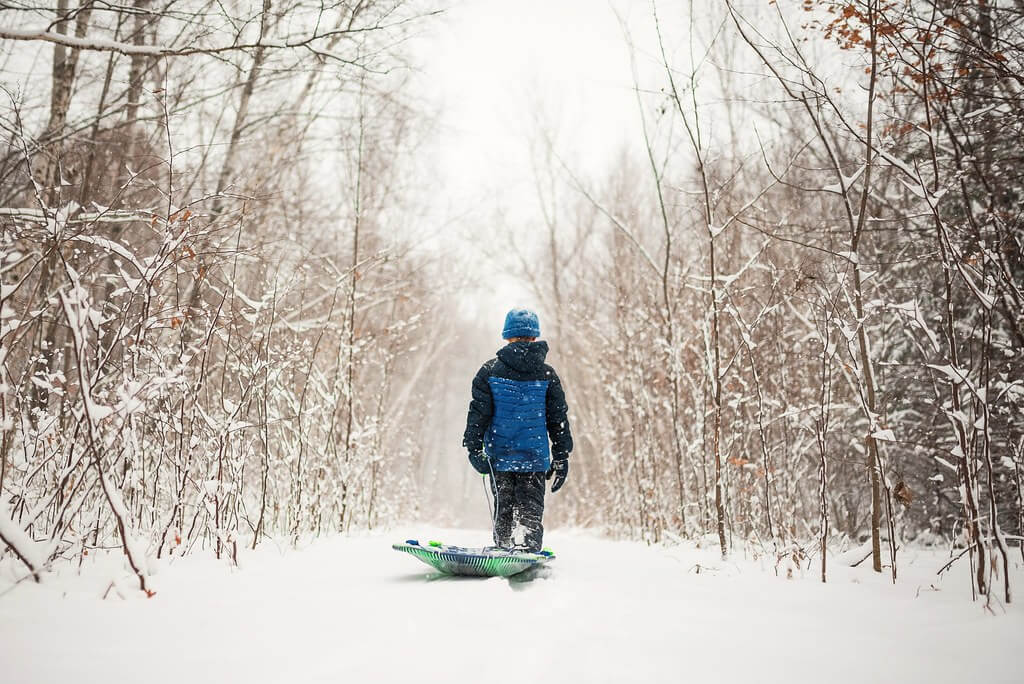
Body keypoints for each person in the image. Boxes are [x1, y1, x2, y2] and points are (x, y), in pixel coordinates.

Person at [463, 308, 573, 552]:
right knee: (530, 510)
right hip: (534, 459)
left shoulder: (489, 371)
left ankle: (504, 550)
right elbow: (558, 419)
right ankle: (527, 554)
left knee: (504, 509)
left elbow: (479, 413)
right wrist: (561, 456)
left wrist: (473, 448)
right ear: (535, 337)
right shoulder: (548, 374)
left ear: (507, 336)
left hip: (500, 457)